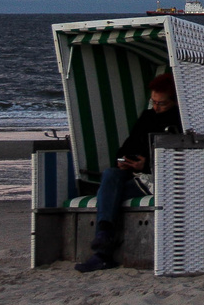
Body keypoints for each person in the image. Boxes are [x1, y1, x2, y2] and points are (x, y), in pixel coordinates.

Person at [75, 72, 182, 272]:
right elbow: (127, 146)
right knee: (111, 174)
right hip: (136, 172)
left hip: (159, 178)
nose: (156, 108)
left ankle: (103, 252)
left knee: (110, 193)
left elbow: (179, 160)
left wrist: (146, 165)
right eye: (154, 102)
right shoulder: (148, 116)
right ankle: (104, 234)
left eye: (162, 104)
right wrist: (124, 160)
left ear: (176, 102)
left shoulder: (181, 120)